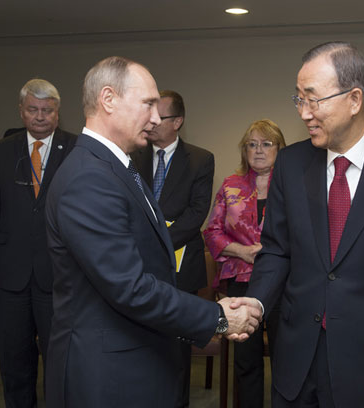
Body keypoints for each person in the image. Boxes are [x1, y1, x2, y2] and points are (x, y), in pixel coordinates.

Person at [236, 42, 364, 407]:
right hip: (296, 354)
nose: (304, 113)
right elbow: (277, 250)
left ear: (354, 99)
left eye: (313, 99)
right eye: (298, 99)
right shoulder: (290, 164)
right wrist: (255, 302)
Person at [44, 56, 261, 408]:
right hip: (108, 373)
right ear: (108, 99)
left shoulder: (117, 167)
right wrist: (218, 317)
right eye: (147, 104)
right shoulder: (89, 178)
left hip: (137, 357)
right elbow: (128, 286)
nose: (157, 118)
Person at [0, 78, 77, 407]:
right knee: (14, 357)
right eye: (33, 109)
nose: (39, 116)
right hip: (11, 272)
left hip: (59, 273)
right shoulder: (2, 150)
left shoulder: (75, 149)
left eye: (47, 110)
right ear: (21, 112)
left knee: (58, 356)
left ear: (57, 113)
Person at [132, 89, 215, 408]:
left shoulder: (200, 158)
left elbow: (196, 214)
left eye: (160, 115)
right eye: (148, 113)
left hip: (181, 268)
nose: (151, 122)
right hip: (138, 267)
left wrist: (156, 241)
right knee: (143, 346)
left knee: (177, 351)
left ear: (178, 121)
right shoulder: (133, 154)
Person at [204, 119, 286, 408]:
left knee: (286, 358)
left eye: (266, 144)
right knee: (246, 359)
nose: (259, 150)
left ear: (279, 148)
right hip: (240, 280)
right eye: (252, 144)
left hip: (285, 282)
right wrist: (242, 250)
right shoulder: (230, 186)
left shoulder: (292, 186)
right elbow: (212, 232)